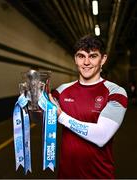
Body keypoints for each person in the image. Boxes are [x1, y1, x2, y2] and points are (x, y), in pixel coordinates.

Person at [49, 34, 128, 179]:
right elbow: (42, 119)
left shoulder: (115, 92)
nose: (86, 62)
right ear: (75, 59)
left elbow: (102, 135)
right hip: (65, 175)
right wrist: (33, 102)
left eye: (92, 56)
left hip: (99, 175)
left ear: (103, 59)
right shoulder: (61, 90)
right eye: (81, 56)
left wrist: (61, 117)